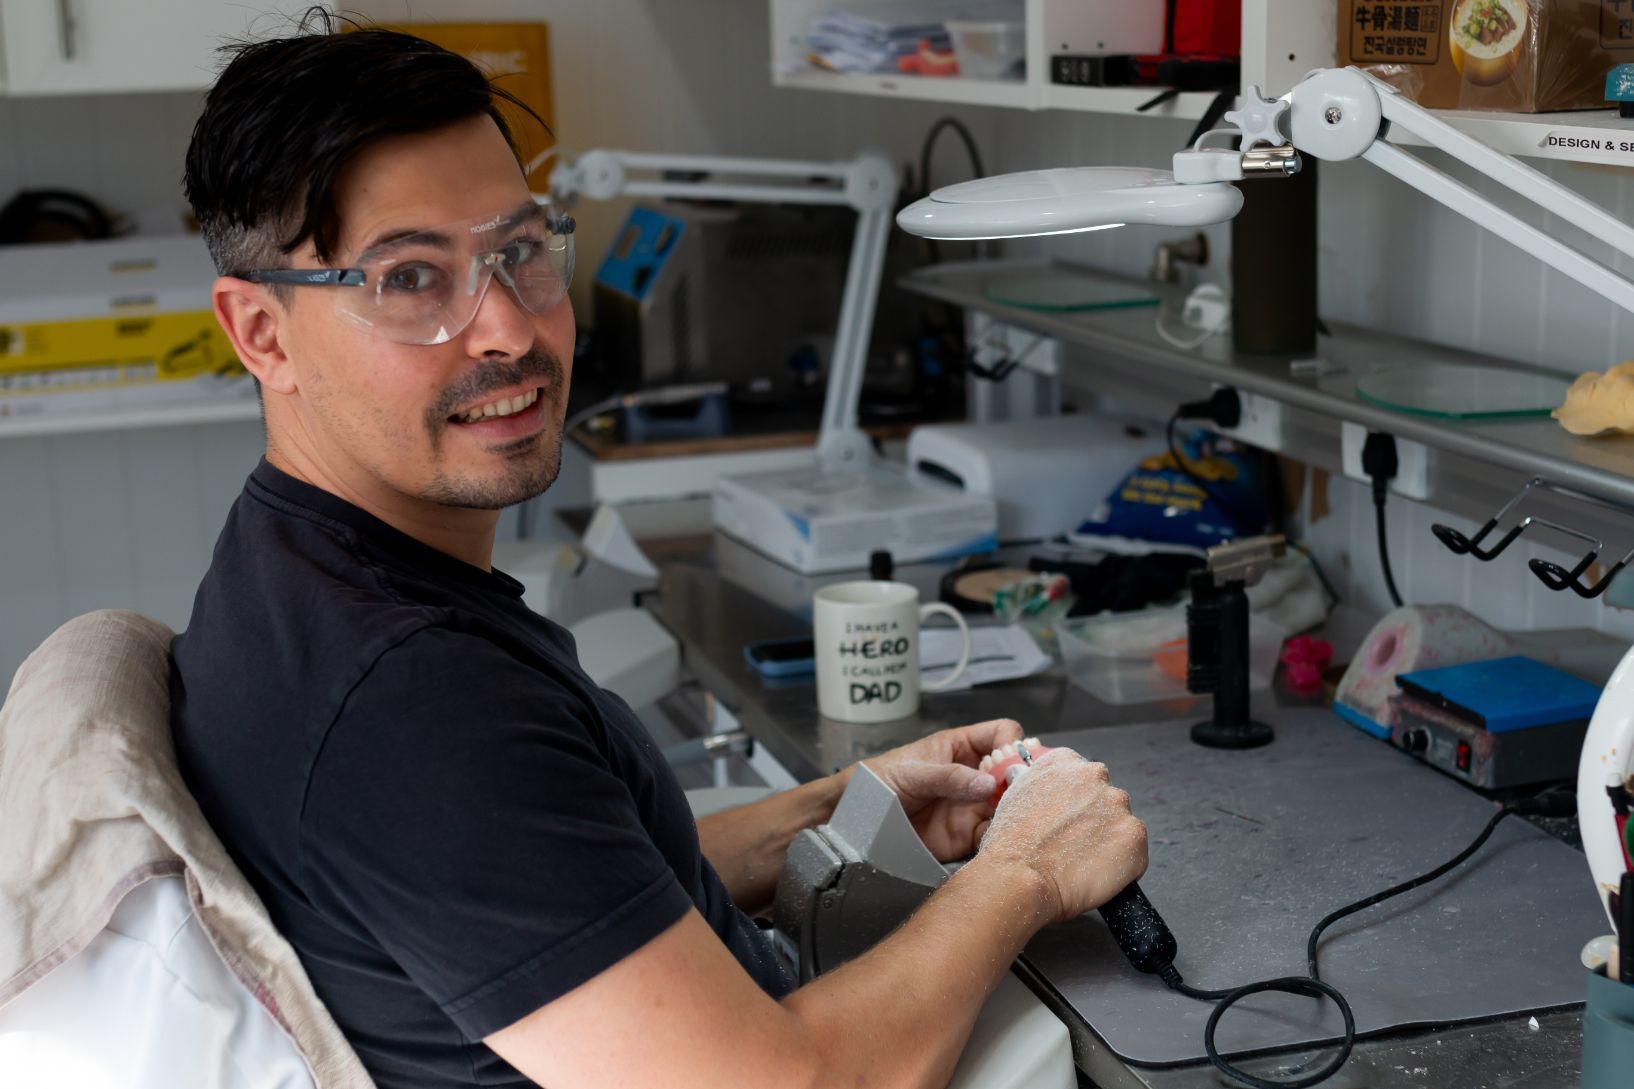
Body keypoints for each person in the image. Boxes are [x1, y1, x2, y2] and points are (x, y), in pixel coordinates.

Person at [171, 18, 1148, 1089]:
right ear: (261, 333)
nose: (505, 326)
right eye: (411, 279)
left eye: (520, 252)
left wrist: (839, 807)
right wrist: (1026, 872)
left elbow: (580, 896)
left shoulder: (296, 567)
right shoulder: (408, 702)